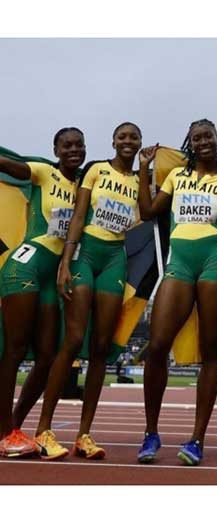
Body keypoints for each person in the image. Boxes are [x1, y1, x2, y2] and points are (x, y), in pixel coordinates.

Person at [136, 119, 217, 466]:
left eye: (208, 137)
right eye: (196, 138)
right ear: (189, 142)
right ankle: (151, 433)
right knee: (156, 346)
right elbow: (148, 211)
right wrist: (143, 171)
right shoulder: (176, 177)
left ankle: (197, 438)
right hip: (180, 262)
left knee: (210, 351)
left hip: (215, 260)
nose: (202, 142)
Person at [32, 122, 143, 460]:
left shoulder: (140, 181)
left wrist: (150, 168)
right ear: (113, 141)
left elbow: (151, 212)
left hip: (115, 259)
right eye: (122, 136)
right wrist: (66, 261)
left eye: (133, 137)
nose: (127, 141)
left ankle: (84, 434)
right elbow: (79, 216)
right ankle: (43, 430)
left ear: (139, 143)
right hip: (86, 254)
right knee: (75, 339)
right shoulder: (95, 170)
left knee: (100, 346)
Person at [0, 128, 85, 457]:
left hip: (54, 277)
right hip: (26, 265)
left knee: (47, 355)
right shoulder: (42, 171)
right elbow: (7, 165)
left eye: (79, 145)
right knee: (15, 350)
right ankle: (4, 431)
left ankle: (14, 426)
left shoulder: (83, 188)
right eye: (67, 145)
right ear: (56, 149)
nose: (73, 150)